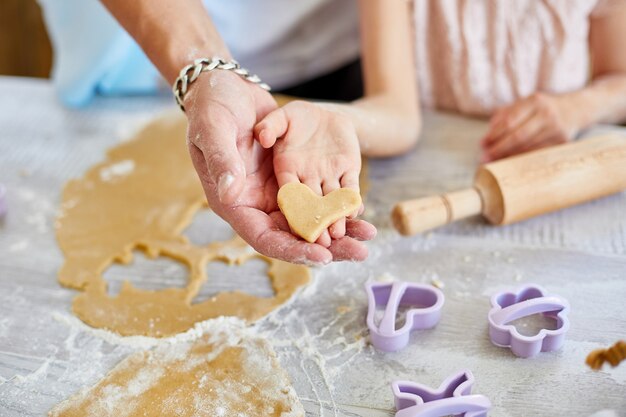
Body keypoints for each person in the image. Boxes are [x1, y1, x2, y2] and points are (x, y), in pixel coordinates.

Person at [40, 0, 626, 265]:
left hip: (570, 195)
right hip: (127, 63)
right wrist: (337, 116)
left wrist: (578, 106)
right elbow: (396, 112)